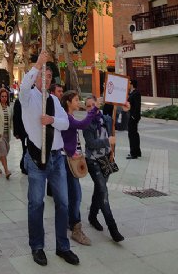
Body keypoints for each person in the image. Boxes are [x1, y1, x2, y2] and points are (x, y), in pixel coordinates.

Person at [20, 51, 79, 267]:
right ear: (35, 77)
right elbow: (24, 87)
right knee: (36, 203)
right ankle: (37, 246)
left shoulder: (55, 99)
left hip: (56, 159)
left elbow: (66, 123)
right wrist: (37, 64)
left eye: (47, 75)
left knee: (63, 203)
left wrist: (51, 119)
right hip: (36, 158)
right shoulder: (28, 97)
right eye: (41, 75)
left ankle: (63, 247)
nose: (44, 78)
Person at [83, 96, 124, 242]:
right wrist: (107, 140)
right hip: (93, 161)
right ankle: (113, 229)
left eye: (94, 104)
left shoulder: (106, 119)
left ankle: (92, 216)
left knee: (99, 190)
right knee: (103, 193)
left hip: (106, 160)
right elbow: (91, 143)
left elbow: (120, 124)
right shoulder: (86, 124)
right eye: (88, 106)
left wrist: (124, 110)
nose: (91, 108)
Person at [61, 90, 98, 246]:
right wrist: (94, 110)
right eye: (76, 100)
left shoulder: (69, 117)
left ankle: (72, 222)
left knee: (73, 194)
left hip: (72, 159)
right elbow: (82, 125)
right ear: (69, 102)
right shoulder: (67, 118)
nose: (79, 102)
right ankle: (76, 227)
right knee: (76, 194)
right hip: (68, 161)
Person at [0, 88, 13, 179]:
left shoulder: (9, 108)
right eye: (2, 96)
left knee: (2, 151)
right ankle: (6, 171)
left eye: (6, 96)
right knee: (3, 152)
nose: (4, 98)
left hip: (7, 134)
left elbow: (11, 121)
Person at [12, 97, 28, 175]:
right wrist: (16, 132)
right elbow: (16, 117)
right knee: (25, 148)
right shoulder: (19, 101)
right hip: (23, 130)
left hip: (30, 129)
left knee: (28, 149)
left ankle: (25, 165)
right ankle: (23, 166)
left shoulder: (30, 100)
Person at [127, 79, 141, 159]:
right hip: (132, 116)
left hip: (133, 117)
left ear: (132, 84)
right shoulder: (131, 93)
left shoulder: (136, 93)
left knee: (132, 135)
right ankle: (137, 152)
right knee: (134, 134)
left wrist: (133, 116)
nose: (128, 85)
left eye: (129, 83)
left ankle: (134, 153)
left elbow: (137, 106)